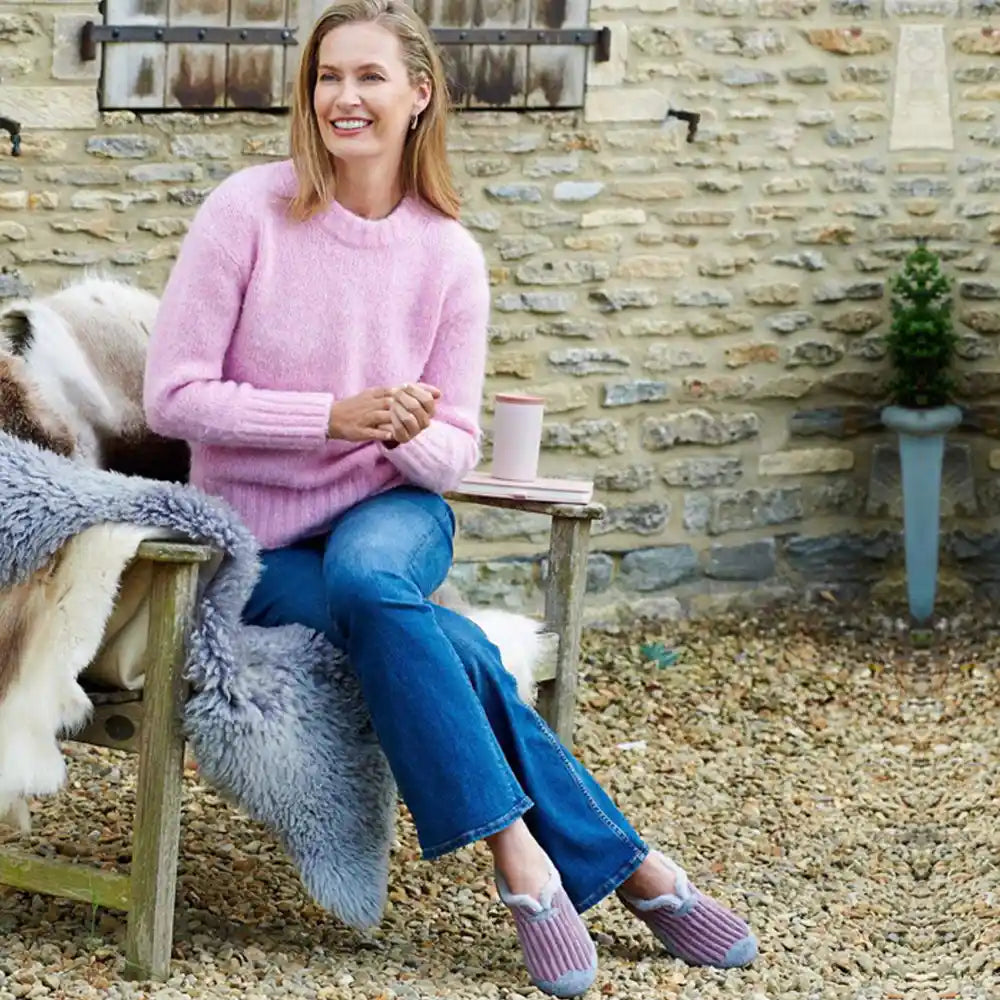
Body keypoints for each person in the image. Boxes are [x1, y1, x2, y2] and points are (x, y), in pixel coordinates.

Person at [142, 1, 758, 994]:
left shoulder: (448, 256)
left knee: (377, 576)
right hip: (257, 544)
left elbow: (454, 450)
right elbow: (172, 397)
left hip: (391, 511)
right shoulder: (245, 211)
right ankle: (595, 864)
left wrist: (402, 431)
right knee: (439, 636)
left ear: (419, 95)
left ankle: (538, 867)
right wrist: (336, 416)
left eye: (368, 77)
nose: (343, 97)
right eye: (327, 77)